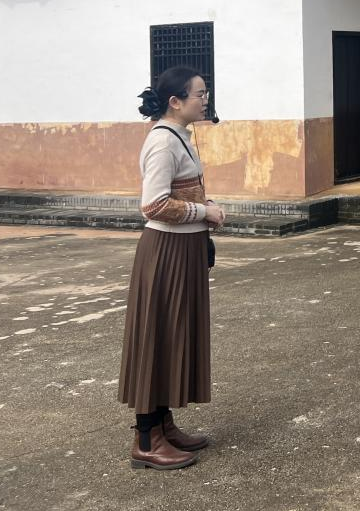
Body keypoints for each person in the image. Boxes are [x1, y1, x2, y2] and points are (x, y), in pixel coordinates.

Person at [120, 67, 225, 471]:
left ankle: (164, 425)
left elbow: (185, 191)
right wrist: (204, 212)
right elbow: (154, 205)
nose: (205, 99)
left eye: (206, 92)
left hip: (184, 248)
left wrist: (205, 211)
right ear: (175, 102)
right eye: (200, 94)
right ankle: (146, 439)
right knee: (158, 336)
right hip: (166, 251)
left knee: (172, 335)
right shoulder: (163, 141)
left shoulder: (181, 135)